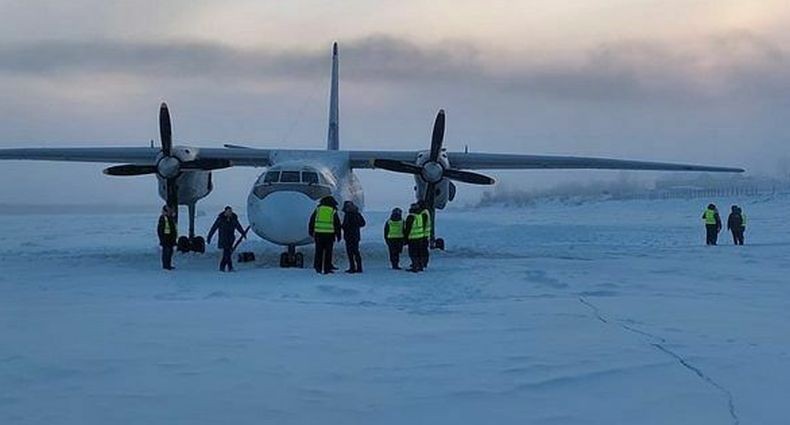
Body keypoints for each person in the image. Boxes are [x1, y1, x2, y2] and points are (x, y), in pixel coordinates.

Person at [207, 206, 247, 272]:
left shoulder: (233, 219)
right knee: (227, 253)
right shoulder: (220, 219)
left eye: (230, 211)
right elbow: (214, 228)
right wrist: (209, 237)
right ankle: (229, 267)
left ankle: (222, 267)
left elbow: (238, 226)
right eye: (228, 211)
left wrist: (243, 233)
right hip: (223, 239)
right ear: (225, 212)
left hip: (230, 239)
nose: (230, 213)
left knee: (227, 254)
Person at [309, 196, 342, 274]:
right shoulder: (332, 211)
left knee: (318, 252)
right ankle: (327, 268)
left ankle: (318, 268)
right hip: (329, 236)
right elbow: (337, 224)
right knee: (328, 253)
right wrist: (338, 235)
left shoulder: (318, 210)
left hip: (318, 235)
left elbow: (312, 221)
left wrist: (311, 231)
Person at [341, 201, 366, 273]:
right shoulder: (357, 213)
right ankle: (359, 268)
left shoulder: (348, 214)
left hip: (349, 236)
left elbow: (346, 225)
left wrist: (343, 227)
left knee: (350, 253)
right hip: (356, 236)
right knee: (356, 252)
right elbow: (363, 223)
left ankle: (352, 267)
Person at [403, 203, 425, 272]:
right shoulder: (420, 215)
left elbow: (408, 228)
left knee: (413, 253)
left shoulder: (411, 216)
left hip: (413, 238)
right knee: (419, 252)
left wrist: (405, 238)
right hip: (420, 237)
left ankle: (415, 266)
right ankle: (420, 266)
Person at [157, 205, 177, 270]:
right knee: (166, 252)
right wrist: (162, 239)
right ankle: (166, 266)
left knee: (170, 252)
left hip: (170, 239)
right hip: (166, 239)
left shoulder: (170, 218)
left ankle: (168, 264)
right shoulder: (163, 218)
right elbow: (160, 230)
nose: (171, 211)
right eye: (170, 210)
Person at [419, 202, 432, 269]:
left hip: (423, 235)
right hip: (425, 235)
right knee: (424, 249)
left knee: (423, 250)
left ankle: (423, 263)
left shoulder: (423, 213)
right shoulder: (426, 212)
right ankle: (423, 263)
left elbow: (422, 225)